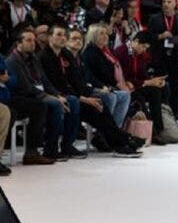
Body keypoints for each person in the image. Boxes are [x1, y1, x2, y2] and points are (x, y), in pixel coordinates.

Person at [40, 25, 143, 157]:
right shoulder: (44, 57)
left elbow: (76, 82)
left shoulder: (66, 55)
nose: (63, 38)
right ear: (49, 37)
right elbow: (54, 84)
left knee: (101, 107)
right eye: (59, 35)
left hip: (74, 94)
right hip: (59, 96)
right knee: (88, 105)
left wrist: (86, 96)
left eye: (64, 35)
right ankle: (123, 140)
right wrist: (83, 98)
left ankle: (119, 144)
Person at [7, 27, 84, 160]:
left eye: (33, 40)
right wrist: (51, 97)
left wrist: (56, 94)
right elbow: (26, 87)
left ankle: (66, 145)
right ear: (18, 43)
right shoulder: (12, 61)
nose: (32, 43)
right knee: (53, 104)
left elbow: (45, 81)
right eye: (28, 40)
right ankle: (49, 149)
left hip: (39, 94)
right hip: (22, 96)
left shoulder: (33, 58)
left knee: (71, 100)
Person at [114, 31, 173, 145]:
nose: (144, 50)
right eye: (143, 47)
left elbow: (141, 74)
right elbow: (124, 78)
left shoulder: (140, 55)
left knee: (161, 89)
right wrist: (148, 82)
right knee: (149, 93)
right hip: (123, 86)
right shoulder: (122, 52)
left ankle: (158, 128)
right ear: (135, 42)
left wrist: (154, 81)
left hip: (135, 84)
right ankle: (153, 130)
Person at [1, 50, 53, 165]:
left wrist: (7, 79)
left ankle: (31, 152)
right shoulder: (12, 60)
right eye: (29, 40)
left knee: (39, 106)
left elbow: (14, 79)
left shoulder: (1, 58)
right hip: (4, 99)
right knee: (10, 113)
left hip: (6, 97)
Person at [147, 0, 178, 117]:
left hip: (176, 56)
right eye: (164, 2)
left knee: (176, 86)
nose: (166, 4)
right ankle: (161, 112)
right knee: (161, 86)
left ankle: (174, 112)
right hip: (159, 57)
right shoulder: (154, 19)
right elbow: (148, 38)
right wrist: (161, 36)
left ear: (175, 3)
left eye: (169, 2)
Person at [81, 24, 132, 128]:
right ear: (93, 36)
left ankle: (115, 129)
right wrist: (102, 86)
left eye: (106, 33)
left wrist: (120, 84)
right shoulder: (90, 52)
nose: (105, 36)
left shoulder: (106, 52)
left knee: (125, 95)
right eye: (101, 34)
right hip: (94, 87)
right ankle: (105, 130)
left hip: (108, 86)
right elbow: (88, 75)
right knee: (111, 97)